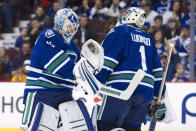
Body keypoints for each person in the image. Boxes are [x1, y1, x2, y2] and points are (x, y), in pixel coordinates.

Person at [95, 7, 170, 131]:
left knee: (106, 125)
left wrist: (97, 80)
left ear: (129, 16)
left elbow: (107, 61)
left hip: (122, 87)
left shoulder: (119, 31)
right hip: (145, 92)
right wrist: (158, 96)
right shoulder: (149, 39)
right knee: (132, 128)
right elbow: (158, 72)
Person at [21, 8, 81, 130]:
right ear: (60, 23)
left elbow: (79, 66)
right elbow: (56, 65)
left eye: (74, 27)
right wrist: (79, 74)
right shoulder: (49, 35)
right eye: (69, 26)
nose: (72, 30)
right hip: (42, 91)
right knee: (32, 127)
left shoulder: (72, 45)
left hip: (65, 94)